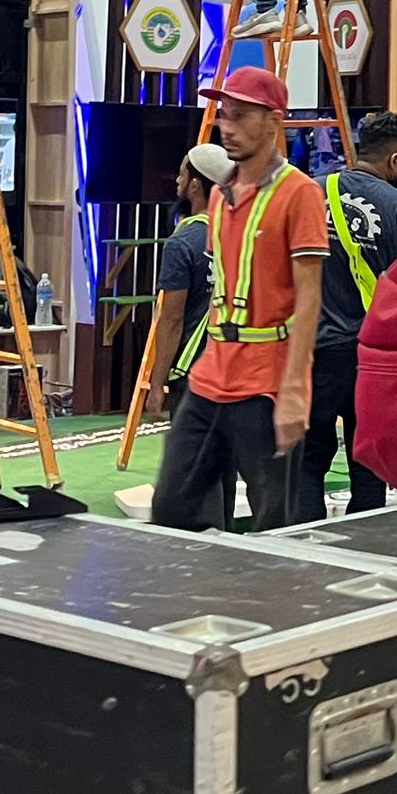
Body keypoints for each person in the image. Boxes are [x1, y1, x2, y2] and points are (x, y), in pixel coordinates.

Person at [151, 67, 325, 532]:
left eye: (240, 115)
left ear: (273, 121)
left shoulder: (301, 194)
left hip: (267, 380)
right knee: (171, 506)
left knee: (274, 519)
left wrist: (295, 391)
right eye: (224, 114)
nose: (227, 126)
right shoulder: (221, 196)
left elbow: (309, 298)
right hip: (212, 374)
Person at [297, 111, 397, 523]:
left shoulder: (308, 194)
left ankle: (303, 542)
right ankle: (361, 544)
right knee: (369, 463)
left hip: (311, 354)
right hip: (373, 359)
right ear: (395, 160)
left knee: (307, 461)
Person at [136, 142, 234, 525]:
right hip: (233, 368)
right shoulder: (238, 237)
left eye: (182, 173)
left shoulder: (182, 243)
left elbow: (171, 319)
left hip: (193, 375)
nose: (177, 180)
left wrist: (156, 382)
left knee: (194, 471)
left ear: (195, 184)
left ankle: (203, 543)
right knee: (224, 468)